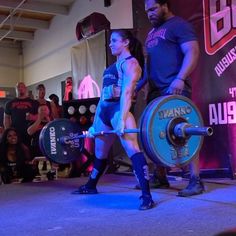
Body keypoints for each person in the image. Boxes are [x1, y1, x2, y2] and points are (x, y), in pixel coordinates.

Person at [72, 29, 155, 210]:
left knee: (133, 149)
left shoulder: (131, 64)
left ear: (125, 42)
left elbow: (126, 92)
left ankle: (147, 196)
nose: (110, 44)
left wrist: (121, 120)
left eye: (114, 41)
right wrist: (95, 125)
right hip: (105, 111)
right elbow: (103, 97)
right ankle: (91, 186)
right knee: (100, 153)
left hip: (119, 109)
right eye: (110, 41)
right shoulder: (110, 68)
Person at [136, 0, 204, 197]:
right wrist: (137, 86)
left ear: (164, 5)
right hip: (156, 91)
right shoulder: (150, 34)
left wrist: (180, 78)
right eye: (147, 10)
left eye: (153, 9)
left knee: (186, 131)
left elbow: (193, 51)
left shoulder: (179, 25)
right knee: (155, 135)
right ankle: (160, 176)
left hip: (175, 88)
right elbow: (149, 67)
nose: (149, 14)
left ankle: (196, 180)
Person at [4, 82, 39, 147]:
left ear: (26, 89)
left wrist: (33, 117)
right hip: (15, 133)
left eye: (22, 87)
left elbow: (40, 117)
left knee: (30, 153)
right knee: (17, 152)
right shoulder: (9, 103)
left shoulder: (34, 102)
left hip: (31, 132)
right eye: (18, 87)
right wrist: (8, 132)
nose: (20, 88)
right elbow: (6, 119)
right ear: (16, 89)